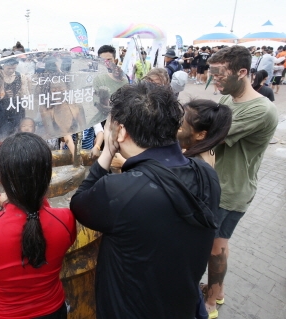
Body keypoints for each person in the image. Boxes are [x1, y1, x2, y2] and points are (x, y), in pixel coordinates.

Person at [70, 82, 220, 319]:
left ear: (121, 131)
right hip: (182, 305)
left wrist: (107, 153)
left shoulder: (118, 190)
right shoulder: (206, 174)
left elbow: (79, 205)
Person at [0, 132, 76, 319]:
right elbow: (39, 212)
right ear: (48, 177)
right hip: (53, 311)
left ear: (2, 179)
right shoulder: (66, 220)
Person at [203, 45, 278, 319]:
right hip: (218, 183)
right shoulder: (226, 100)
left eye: (220, 75)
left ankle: (210, 303)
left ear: (242, 72)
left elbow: (210, 135)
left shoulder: (261, 109)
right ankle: (217, 292)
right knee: (219, 241)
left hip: (232, 189)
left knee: (215, 244)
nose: (215, 80)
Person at [178, 99, 232, 167]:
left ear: (201, 135)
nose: (174, 128)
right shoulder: (206, 151)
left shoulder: (194, 165)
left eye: (180, 127)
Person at [90, 45, 129, 127]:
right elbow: (98, 105)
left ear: (115, 61)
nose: (106, 63)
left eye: (109, 60)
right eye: (102, 60)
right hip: (101, 123)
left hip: (121, 122)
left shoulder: (125, 79)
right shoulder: (97, 79)